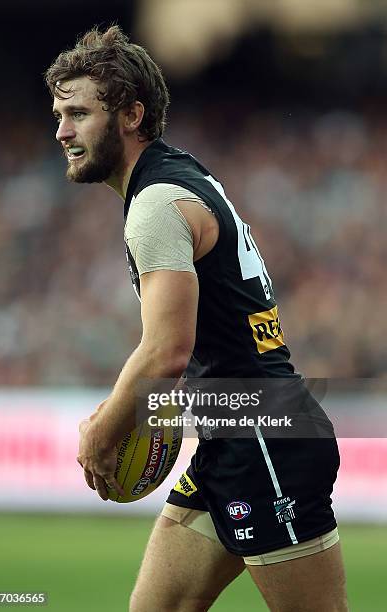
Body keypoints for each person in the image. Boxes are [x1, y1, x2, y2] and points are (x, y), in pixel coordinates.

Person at [45, 25, 348, 612]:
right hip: (236, 432)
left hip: (266, 439)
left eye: (79, 113)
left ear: (131, 115)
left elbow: (167, 352)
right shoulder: (176, 174)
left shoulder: (156, 203)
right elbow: (208, 352)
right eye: (59, 114)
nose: (62, 131)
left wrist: (102, 433)